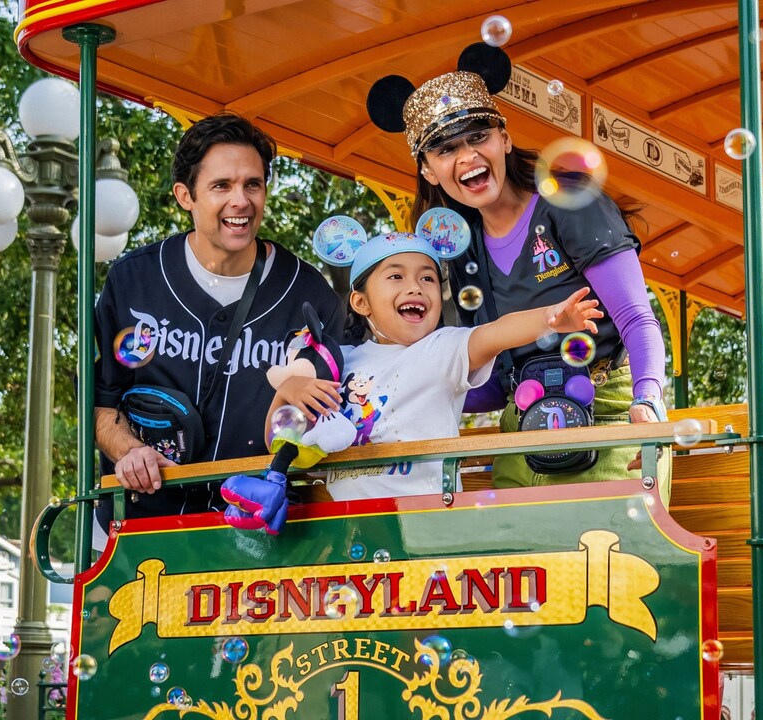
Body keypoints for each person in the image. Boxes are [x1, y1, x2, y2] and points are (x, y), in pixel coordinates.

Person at [366, 43, 671, 503]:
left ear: (504, 139)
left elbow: (636, 318)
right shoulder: (460, 248)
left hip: (609, 416)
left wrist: (647, 401)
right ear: (428, 171)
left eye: (478, 137)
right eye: (446, 149)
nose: (467, 156)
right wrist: (386, 397)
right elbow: (491, 383)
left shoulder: (568, 202)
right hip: (520, 433)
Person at [94, 112, 343, 519]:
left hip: (261, 530)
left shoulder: (311, 295)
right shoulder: (133, 279)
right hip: (144, 528)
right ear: (185, 195)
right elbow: (101, 402)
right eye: (221, 185)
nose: (240, 200)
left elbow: (332, 421)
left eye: (252, 184)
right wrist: (131, 452)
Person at [271, 220, 602, 501]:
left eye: (427, 278)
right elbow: (278, 440)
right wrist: (288, 390)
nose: (416, 287)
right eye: (396, 277)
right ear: (360, 302)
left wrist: (549, 317)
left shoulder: (442, 349)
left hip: (426, 523)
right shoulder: (337, 362)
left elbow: (495, 333)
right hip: (350, 528)